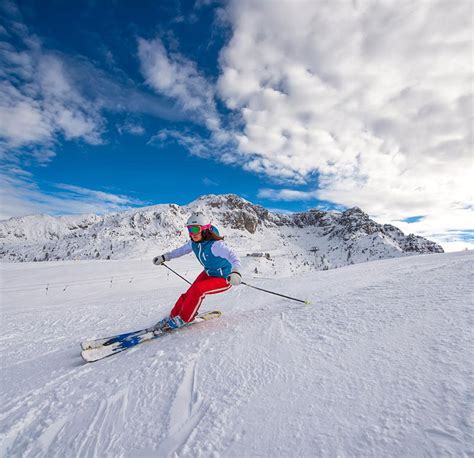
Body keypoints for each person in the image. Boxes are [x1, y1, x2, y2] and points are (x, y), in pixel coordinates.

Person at [152, 213, 242, 330]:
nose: (192, 233)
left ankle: (184, 318)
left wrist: (235, 272)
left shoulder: (215, 245)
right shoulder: (194, 243)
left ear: (205, 230)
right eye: (189, 229)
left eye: (195, 229)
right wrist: (165, 257)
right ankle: (173, 315)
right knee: (188, 293)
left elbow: (233, 256)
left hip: (224, 278)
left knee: (198, 290)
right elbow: (180, 251)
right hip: (208, 273)